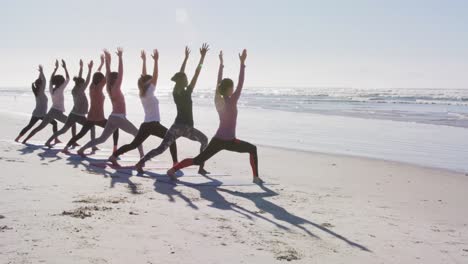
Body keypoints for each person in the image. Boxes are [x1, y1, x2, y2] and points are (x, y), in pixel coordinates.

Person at [167, 50, 262, 184]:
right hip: (225, 140)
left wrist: (222, 64)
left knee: (251, 149)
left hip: (222, 140)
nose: (234, 89)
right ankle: (172, 170)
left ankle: (256, 177)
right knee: (198, 160)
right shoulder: (231, 99)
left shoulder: (218, 100)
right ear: (229, 89)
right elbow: (241, 83)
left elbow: (223, 83)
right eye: (232, 87)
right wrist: (241, 64)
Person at [134, 44, 210, 174]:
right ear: (183, 81)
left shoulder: (176, 91)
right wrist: (202, 58)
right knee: (204, 140)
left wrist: (186, 59)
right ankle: (201, 167)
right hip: (187, 129)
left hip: (176, 127)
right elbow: (196, 73)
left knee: (161, 148)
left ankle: (141, 162)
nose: (187, 79)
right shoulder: (187, 92)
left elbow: (181, 74)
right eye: (185, 78)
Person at [108, 49, 177, 166]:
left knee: (134, 144)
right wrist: (156, 61)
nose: (152, 82)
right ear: (148, 83)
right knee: (172, 139)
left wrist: (144, 61)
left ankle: (114, 156)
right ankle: (175, 163)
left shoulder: (143, 91)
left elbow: (144, 77)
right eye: (150, 81)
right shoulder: (149, 91)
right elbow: (155, 76)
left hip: (146, 125)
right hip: (153, 125)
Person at [77, 48, 143, 158]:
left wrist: (108, 60)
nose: (119, 78)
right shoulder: (116, 88)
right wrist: (120, 57)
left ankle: (82, 149)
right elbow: (120, 73)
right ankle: (142, 156)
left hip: (113, 117)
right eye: (118, 78)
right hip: (119, 118)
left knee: (102, 139)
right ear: (116, 79)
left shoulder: (109, 88)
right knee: (137, 134)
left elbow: (108, 74)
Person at [61, 55, 119, 154]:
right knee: (115, 128)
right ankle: (115, 149)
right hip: (99, 118)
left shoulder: (91, 86)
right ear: (101, 81)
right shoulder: (99, 87)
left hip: (91, 117)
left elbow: (98, 75)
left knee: (81, 134)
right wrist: (107, 61)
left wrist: (99, 65)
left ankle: (66, 147)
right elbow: (107, 75)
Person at [22, 59, 76, 144]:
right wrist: (65, 68)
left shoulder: (51, 89)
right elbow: (68, 79)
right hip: (57, 112)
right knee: (73, 123)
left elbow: (51, 79)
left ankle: (25, 140)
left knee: (40, 127)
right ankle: (73, 141)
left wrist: (55, 69)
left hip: (51, 111)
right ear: (61, 82)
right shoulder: (60, 89)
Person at [44, 59, 94, 148]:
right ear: (80, 84)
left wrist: (81, 67)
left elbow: (80, 78)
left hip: (74, 114)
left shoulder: (76, 88)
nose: (84, 84)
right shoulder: (81, 89)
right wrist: (90, 70)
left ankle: (48, 141)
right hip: (79, 115)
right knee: (91, 127)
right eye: (83, 83)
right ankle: (92, 145)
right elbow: (87, 80)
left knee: (63, 130)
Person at [15, 65, 59, 142]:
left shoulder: (37, 91)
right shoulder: (40, 91)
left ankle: (17, 138)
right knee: (54, 123)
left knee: (29, 126)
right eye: (41, 84)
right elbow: (44, 80)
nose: (43, 84)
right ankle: (55, 139)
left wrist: (40, 73)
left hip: (36, 113)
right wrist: (42, 72)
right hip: (42, 114)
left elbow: (40, 80)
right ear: (40, 85)